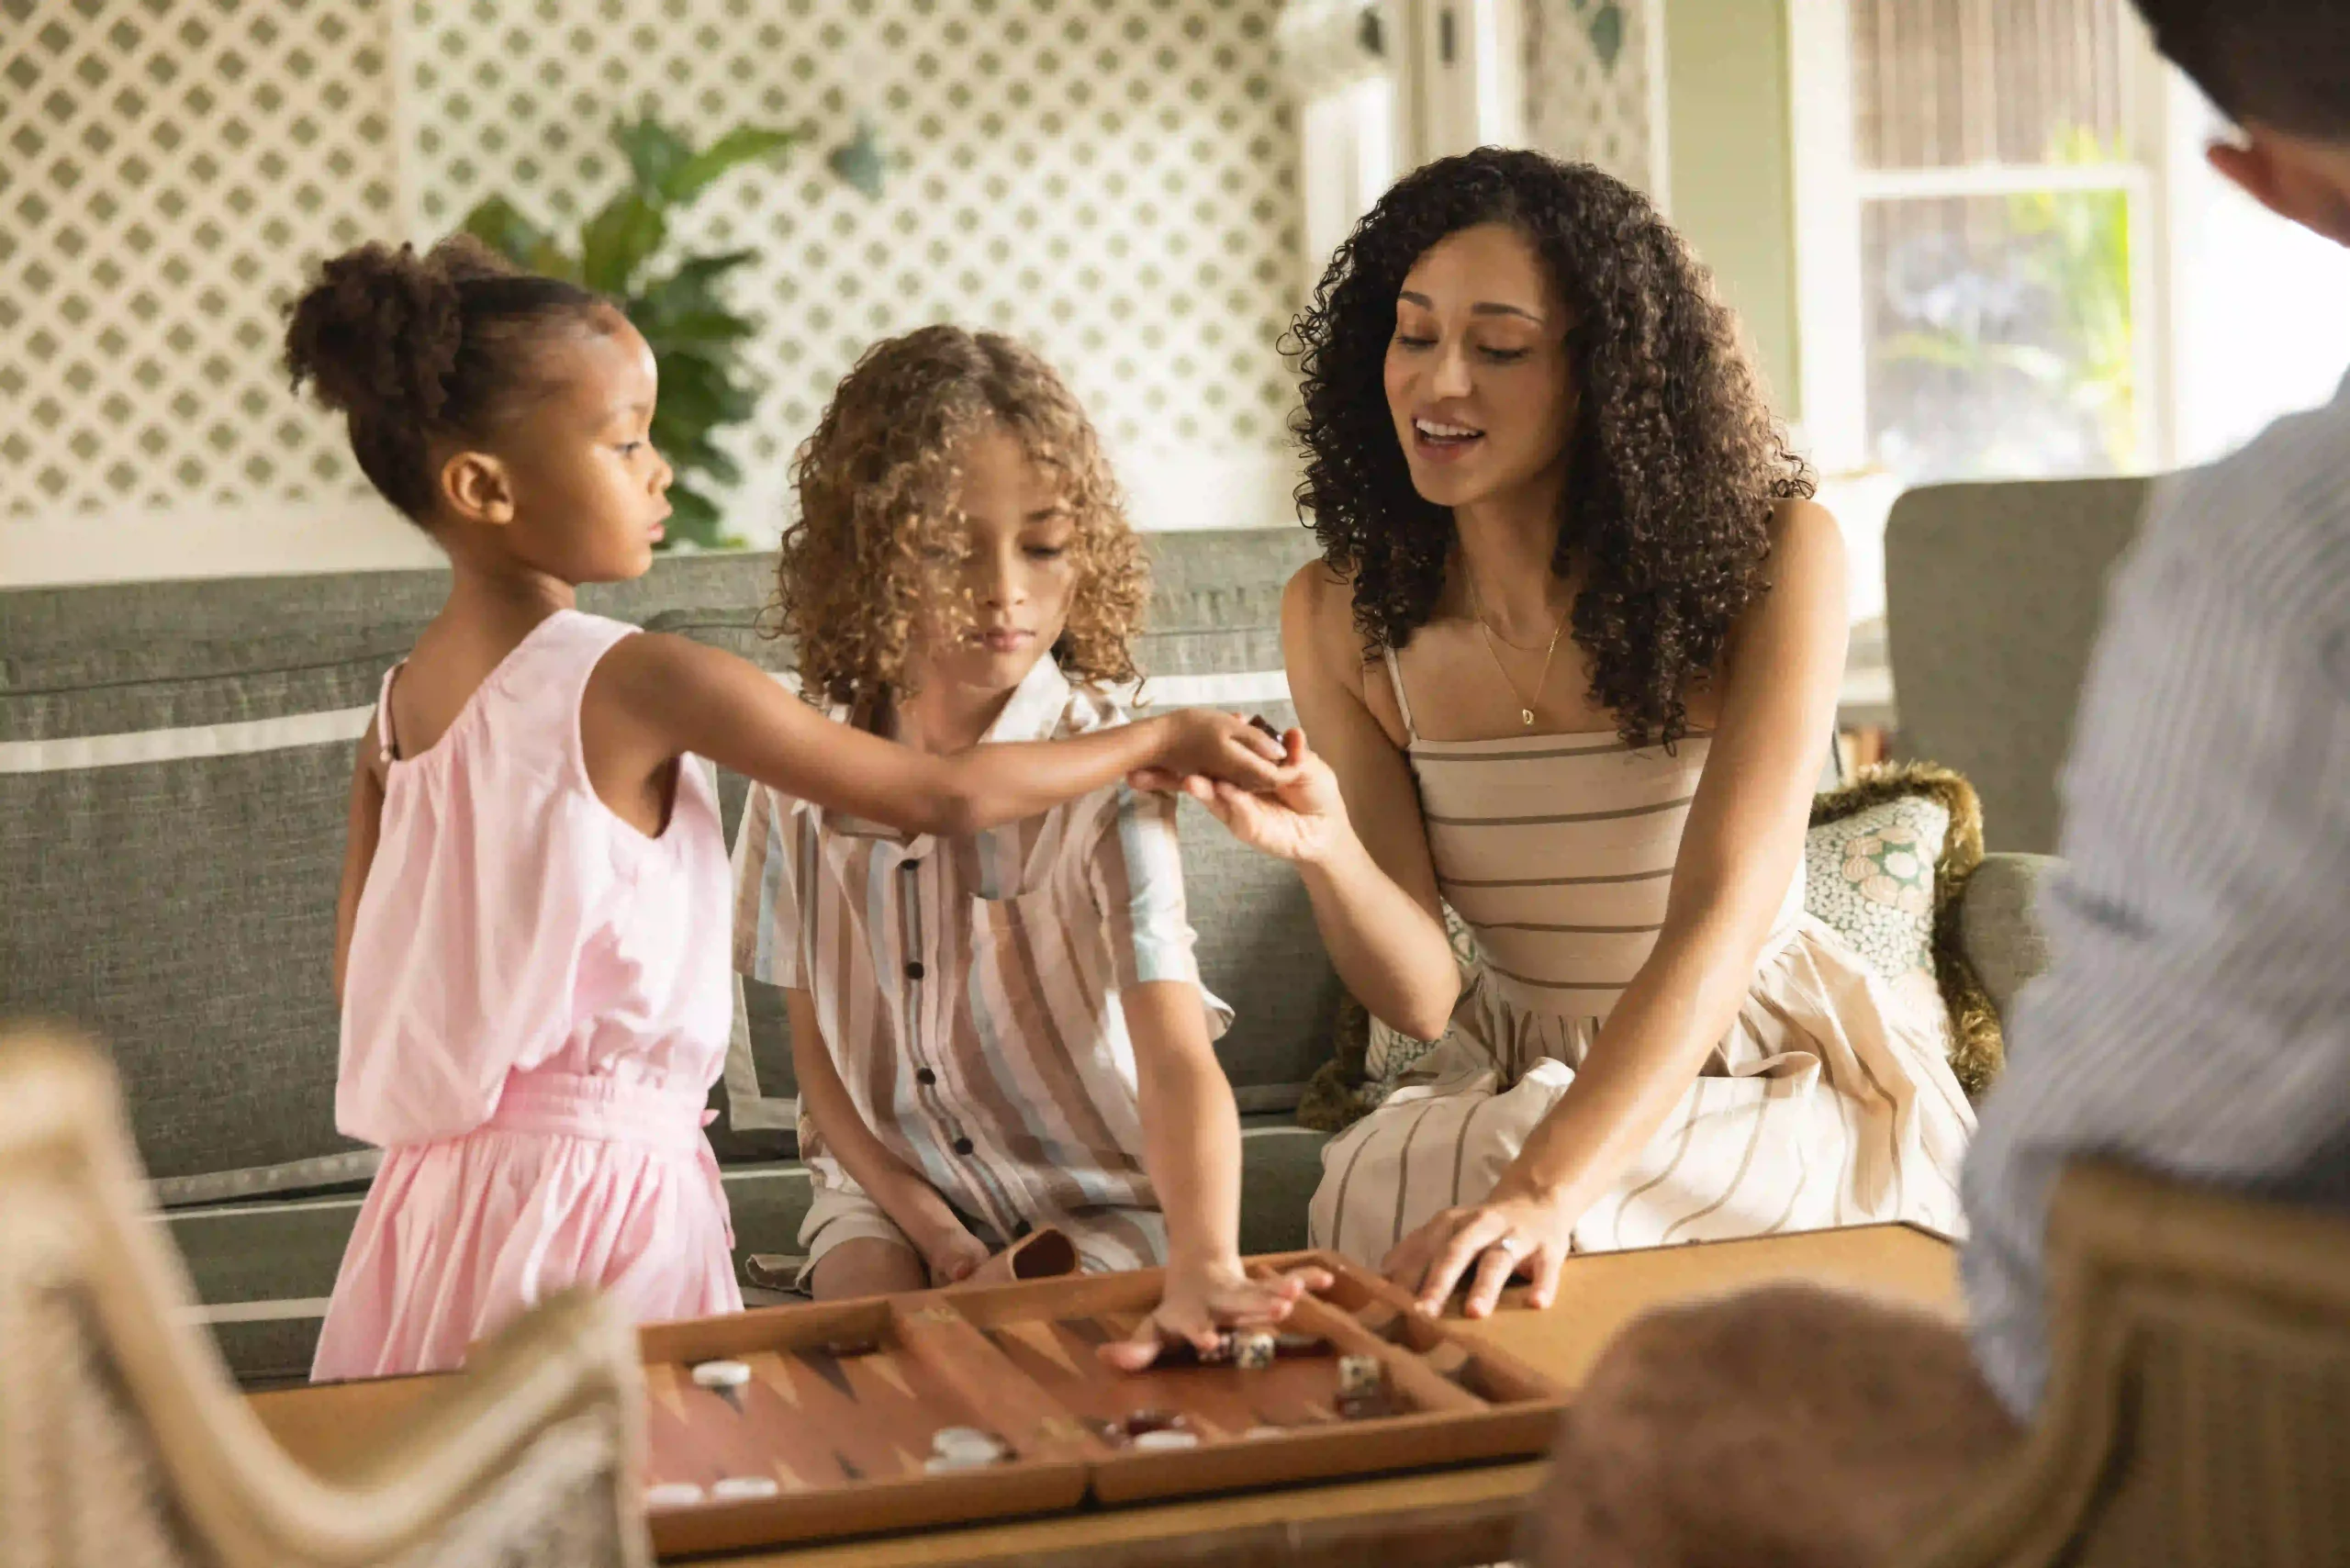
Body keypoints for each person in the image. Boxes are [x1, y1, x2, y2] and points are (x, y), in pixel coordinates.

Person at [1523, 0, 2350, 1559]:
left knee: (1662, 1394)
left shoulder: (2274, 554)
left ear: (2271, 185)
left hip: (2274, 1448)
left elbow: (2093, 1199)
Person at [293, 240, 1292, 1381]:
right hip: (600, 1198)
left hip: (433, 1204)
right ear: (483, 486)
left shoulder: (396, 709)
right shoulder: (649, 678)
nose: (659, 471)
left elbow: (364, 982)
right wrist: (1162, 734)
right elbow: (941, 796)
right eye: (626, 442)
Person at [1177, 148, 1972, 1318]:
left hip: (1751, 1053)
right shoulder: (1337, 613)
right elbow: (1418, 997)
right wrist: (1327, 848)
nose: (1439, 383)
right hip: (1509, 1062)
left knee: (1554, 1230)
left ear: (1607, 378)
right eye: (1412, 335)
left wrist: (1543, 1191)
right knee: (1386, 1200)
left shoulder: (1777, 561)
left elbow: (1720, 918)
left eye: (1498, 348)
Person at [733, 326, 1320, 1366]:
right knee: (868, 1357)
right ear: (869, 553)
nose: (1005, 589)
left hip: (1097, 1196)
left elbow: (1176, 1052)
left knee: (1004, 1351)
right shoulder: (799, 762)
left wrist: (1212, 1258)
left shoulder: (1111, 779)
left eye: (1043, 546)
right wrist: (930, 1229)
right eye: (954, 550)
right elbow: (818, 1072)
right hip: (883, 1189)